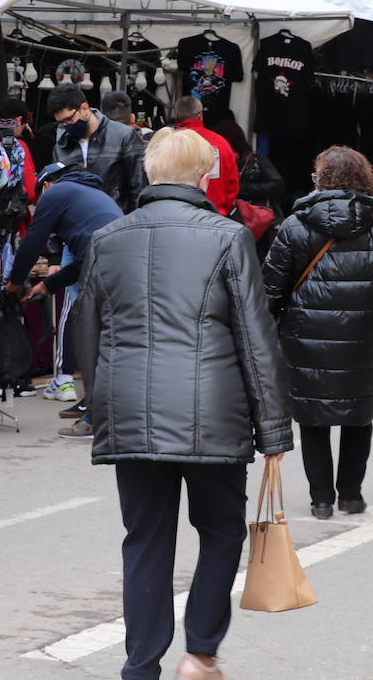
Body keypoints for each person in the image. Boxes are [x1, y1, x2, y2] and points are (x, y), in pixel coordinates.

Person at [75, 126, 293, 680]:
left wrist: (102, 410)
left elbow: (89, 337)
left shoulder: (107, 238)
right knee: (221, 529)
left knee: (145, 538)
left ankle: (141, 665)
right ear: (204, 177)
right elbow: (254, 337)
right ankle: (200, 652)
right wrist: (272, 430)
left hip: (131, 413)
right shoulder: (228, 237)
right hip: (213, 413)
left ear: (149, 174)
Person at [262, 147, 373, 520]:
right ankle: (352, 496)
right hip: (364, 336)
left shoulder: (294, 226)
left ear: (320, 178)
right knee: (359, 416)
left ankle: (321, 500)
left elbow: (270, 288)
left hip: (306, 335)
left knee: (313, 417)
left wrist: (278, 323)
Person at [4, 163, 122, 422]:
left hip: (103, 262)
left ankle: (94, 418)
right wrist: (48, 285)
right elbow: (82, 261)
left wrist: (15, 281)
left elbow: (33, 241)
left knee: (90, 337)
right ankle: (93, 405)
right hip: (120, 261)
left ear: (46, 185)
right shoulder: (91, 197)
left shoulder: (56, 193)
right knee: (108, 337)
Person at [49, 82, 146, 214]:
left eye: (69, 119)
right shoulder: (61, 146)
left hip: (116, 225)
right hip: (76, 228)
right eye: (61, 122)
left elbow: (139, 189)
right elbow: (58, 194)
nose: (66, 125)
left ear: (84, 108)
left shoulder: (124, 136)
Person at [171, 96, 238, 215]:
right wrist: (222, 211)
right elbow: (232, 186)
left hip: (176, 217)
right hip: (215, 218)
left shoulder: (168, 143)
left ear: (176, 117)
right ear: (200, 115)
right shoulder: (221, 143)